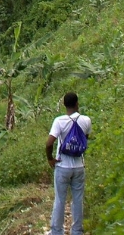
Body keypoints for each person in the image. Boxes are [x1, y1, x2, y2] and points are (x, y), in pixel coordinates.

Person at [46, 92, 92, 235]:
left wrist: (50, 159)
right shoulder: (86, 120)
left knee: (60, 199)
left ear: (65, 105)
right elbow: (85, 139)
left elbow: (49, 143)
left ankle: (57, 231)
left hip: (62, 166)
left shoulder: (59, 121)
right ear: (77, 103)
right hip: (79, 166)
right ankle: (77, 231)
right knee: (78, 199)